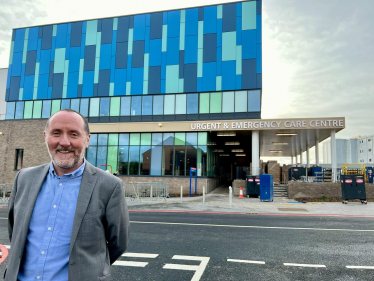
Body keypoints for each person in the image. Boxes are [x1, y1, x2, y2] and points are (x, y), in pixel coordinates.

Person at [6, 109, 129, 281]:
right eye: (56, 133)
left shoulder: (110, 186)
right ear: (45, 137)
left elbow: (118, 243)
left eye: (74, 134)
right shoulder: (24, 178)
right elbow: (15, 232)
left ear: (87, 139)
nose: (64, 142)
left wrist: (89, 268)